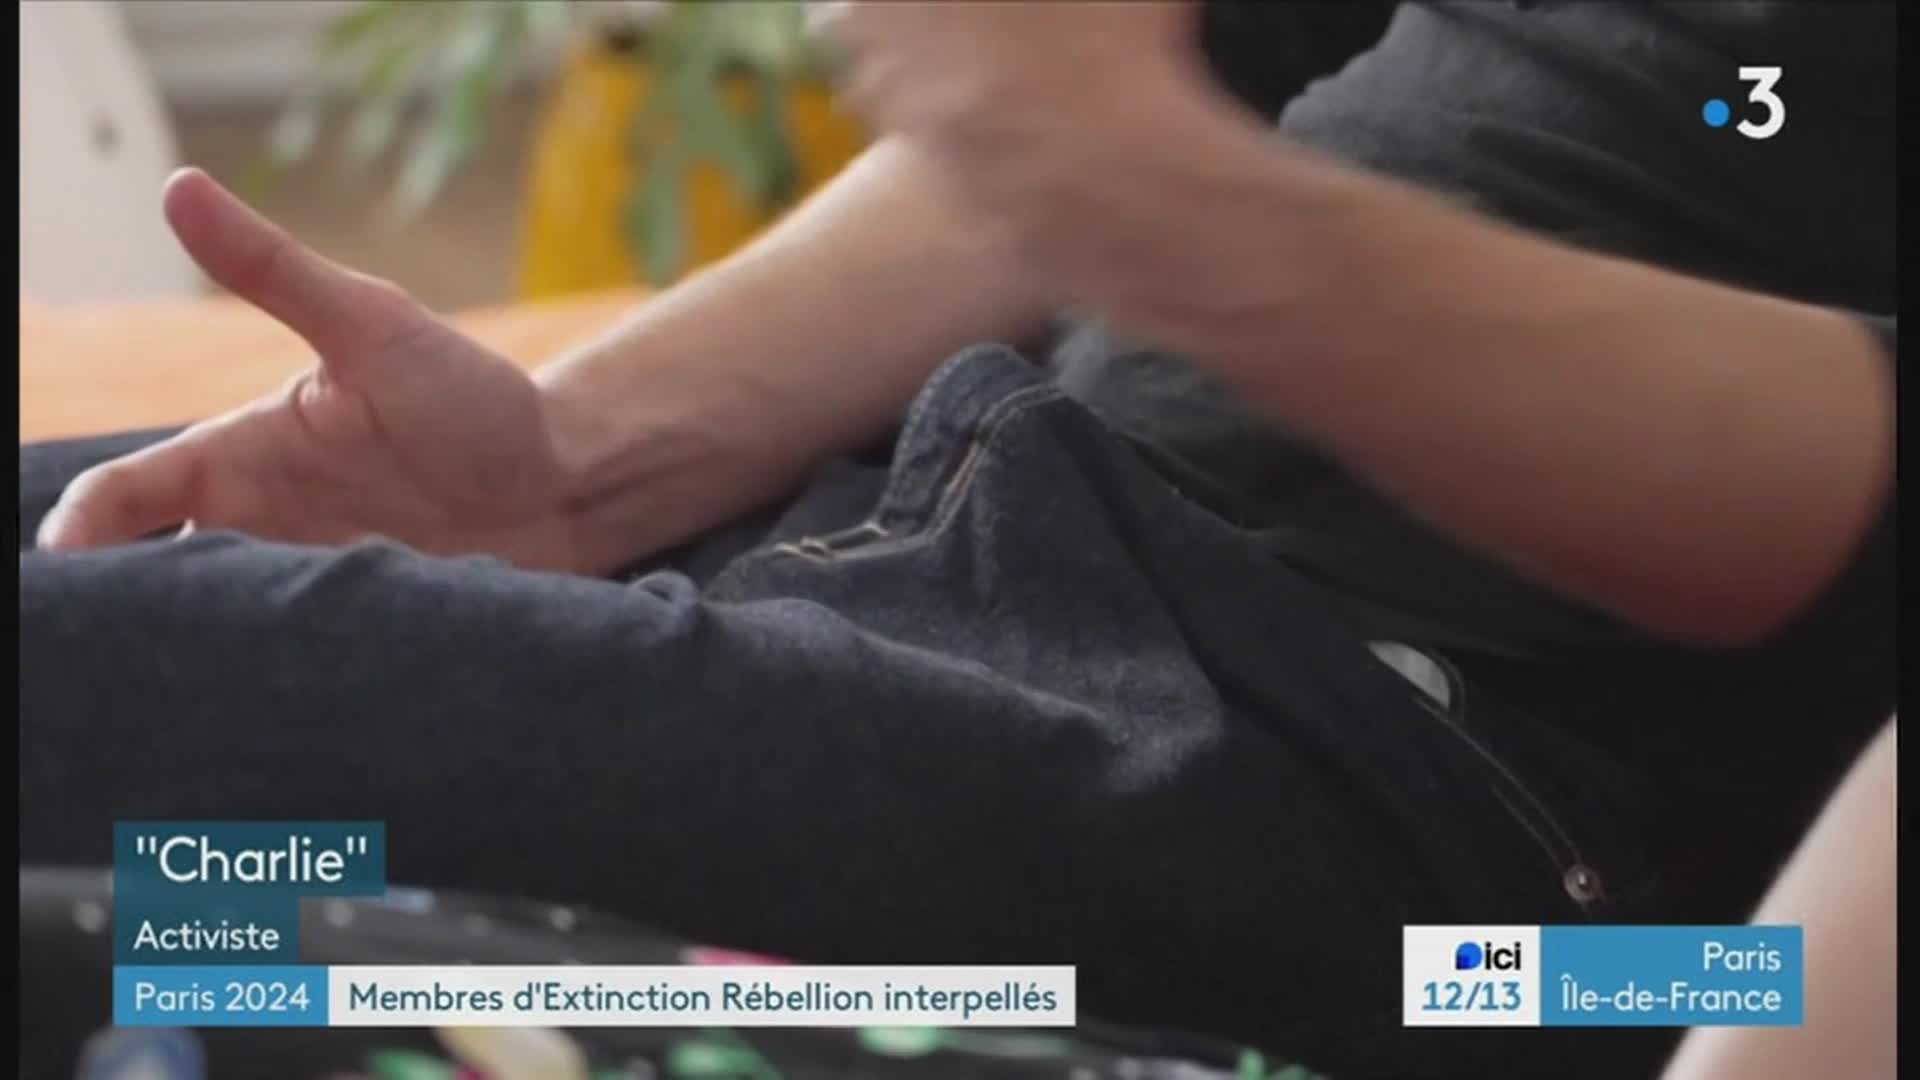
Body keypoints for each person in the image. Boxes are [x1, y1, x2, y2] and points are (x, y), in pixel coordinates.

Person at [19, 3, 1894, 1077]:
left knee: (90, 737)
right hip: (963, 508)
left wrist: (1160, 196)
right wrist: (570, 472)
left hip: (1409, 823)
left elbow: (1131, 158)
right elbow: (1132, 116)